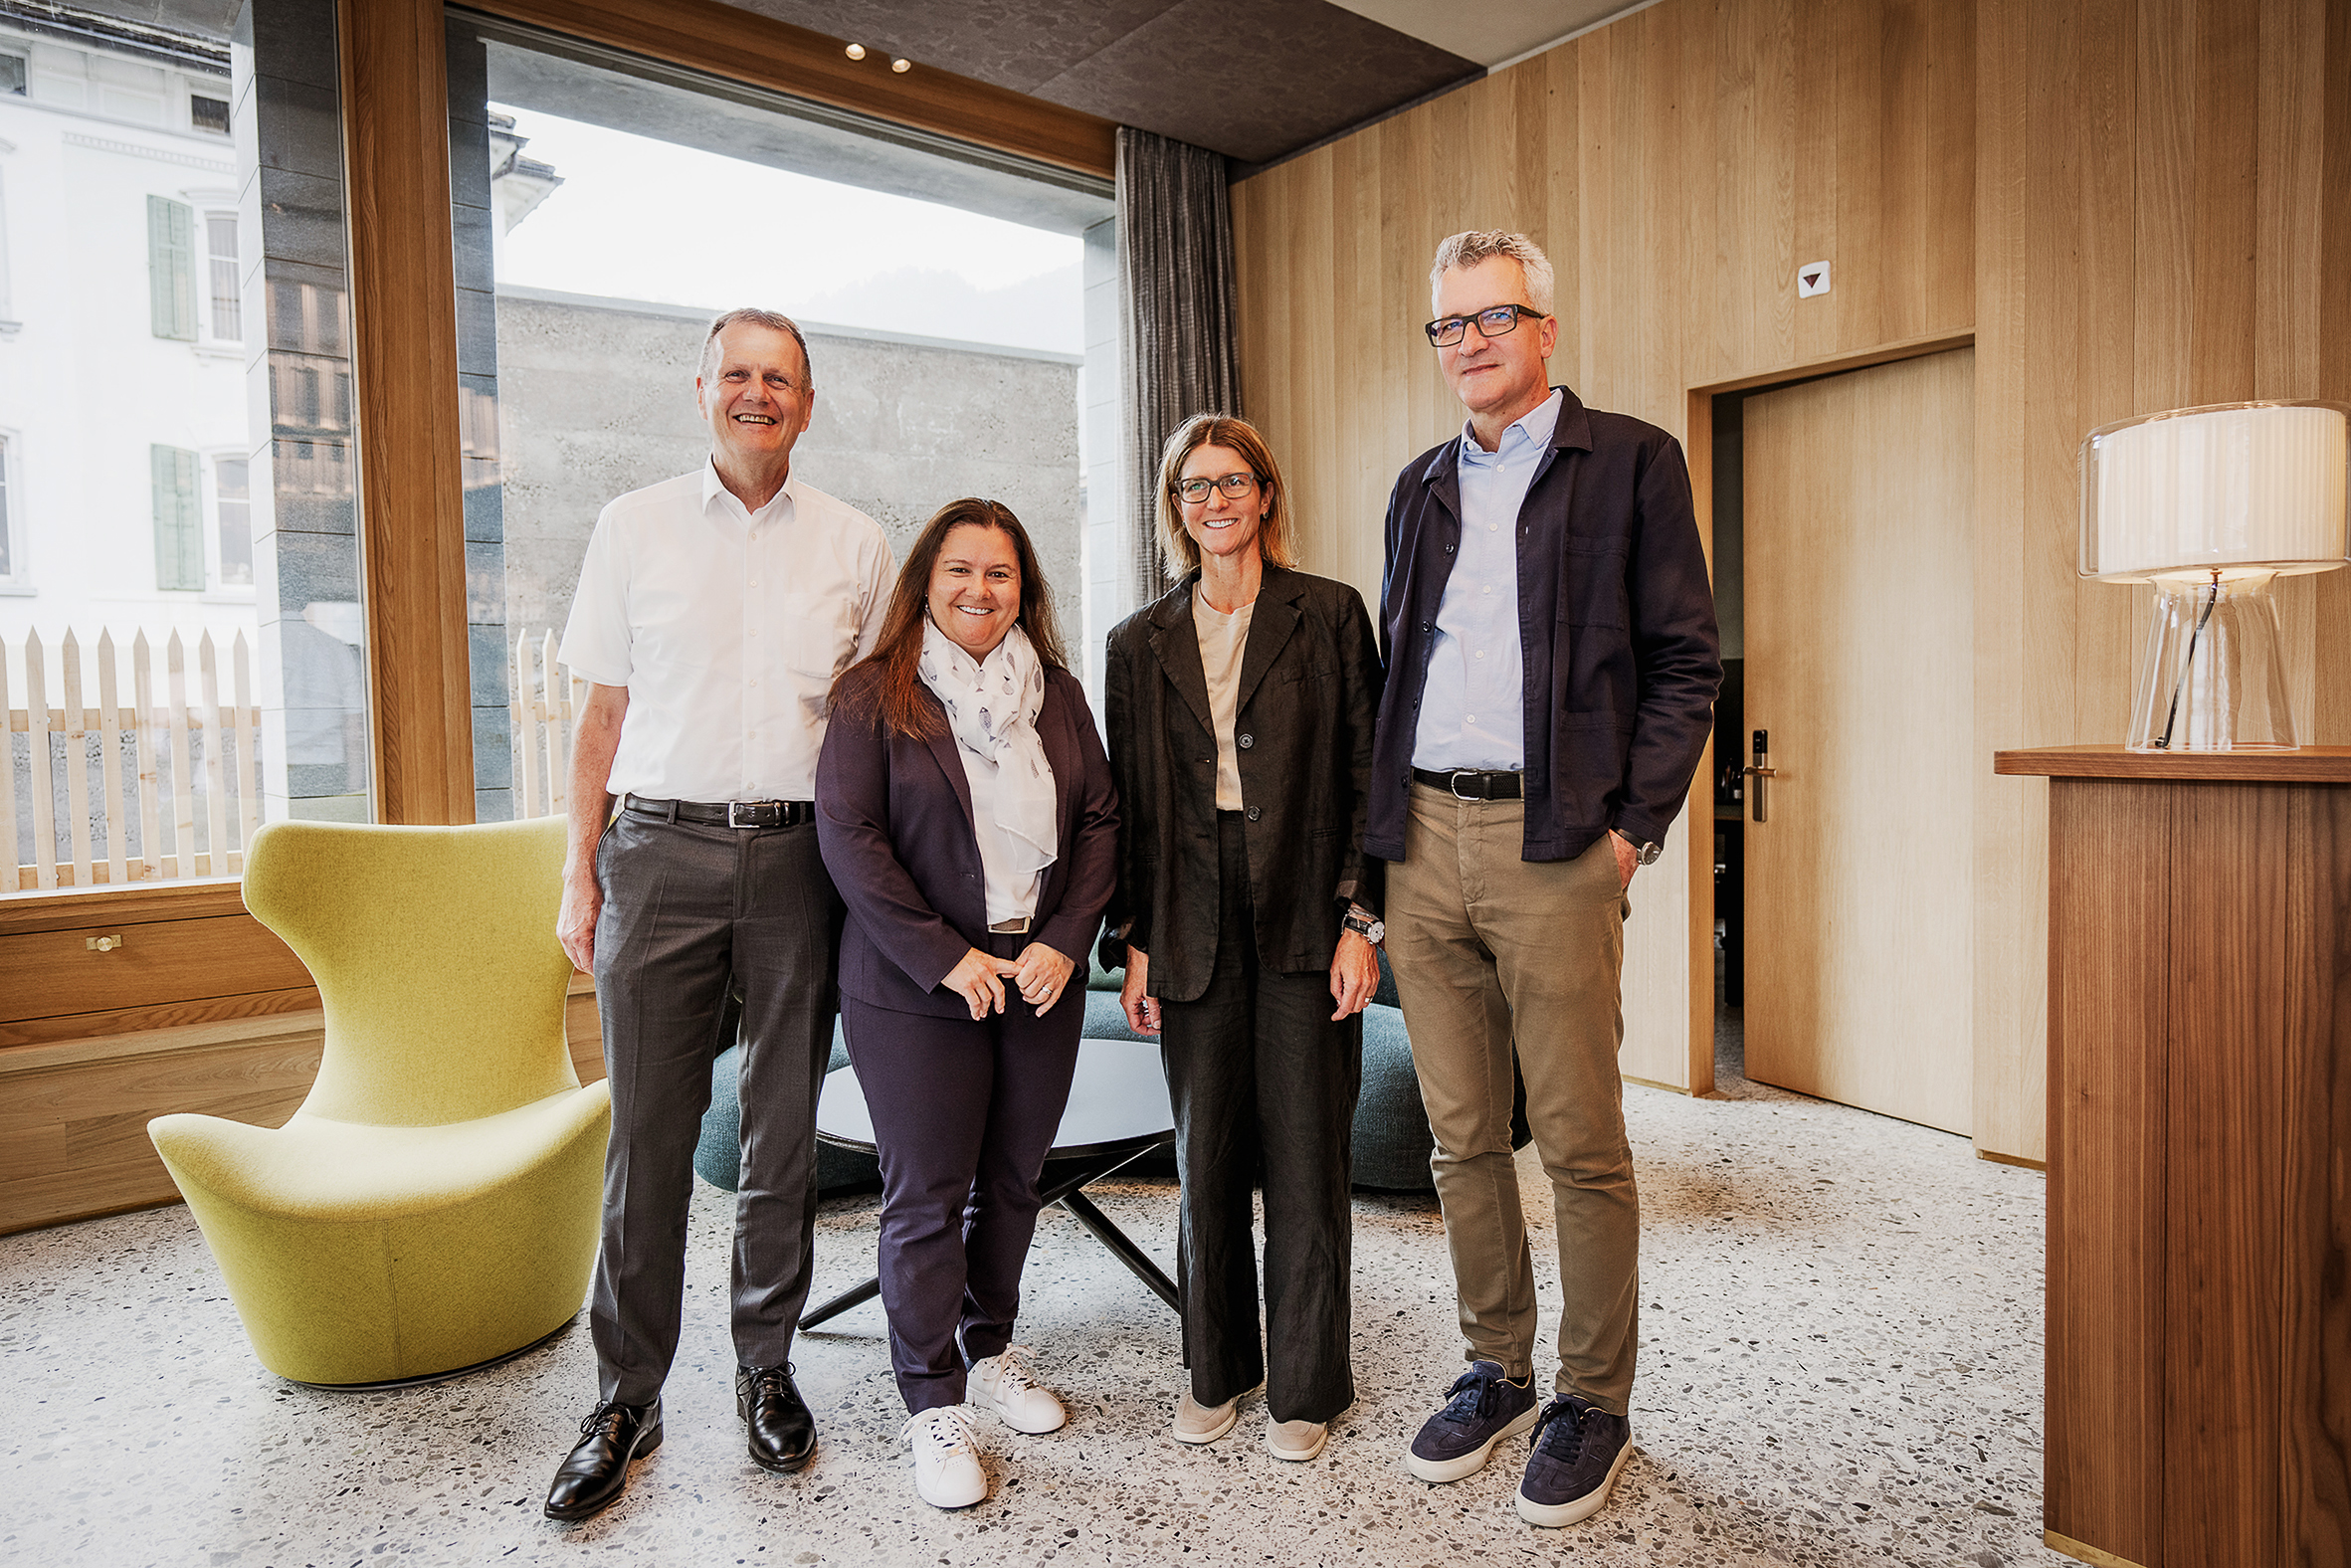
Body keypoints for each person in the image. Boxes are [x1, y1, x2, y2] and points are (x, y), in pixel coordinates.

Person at [1373, 231, 1719, 1526]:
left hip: (1555, 842)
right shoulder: (1417, 484)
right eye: (1447, 324)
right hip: (1418, 837)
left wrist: (1628, 828)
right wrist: (1372, 861)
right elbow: (1401, 668)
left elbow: (1685, 661)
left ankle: (1590, 1396)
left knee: (1576, 1137)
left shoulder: (1627, 461)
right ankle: (1495, 1365)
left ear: (1542, 330)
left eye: (1491, 316)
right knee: (1459, 1137)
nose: (1466, 340)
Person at [544, 307, 894, 1522]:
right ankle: (624, 1394)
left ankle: (764, 1366)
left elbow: (876, 726)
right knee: (646, 1137)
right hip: (657, 852)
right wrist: (580, 872)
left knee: (781, 1134)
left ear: (807, 401)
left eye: (779, 379)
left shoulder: (858, 545)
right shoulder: (630, 525)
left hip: (800, 863)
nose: (757, 394)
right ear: (702, 390)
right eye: (737, 375)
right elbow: (597, 720)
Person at [816, 498, 1117, 1510]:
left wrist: (1065, 942)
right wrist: (945, 957)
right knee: (926, 1195)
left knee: (1015, 1178)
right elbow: (850, 839)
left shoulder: (1058, 693)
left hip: (1034, 973)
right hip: (915, 984)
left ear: (1022, 587)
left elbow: (1100, 818)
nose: (979, 590)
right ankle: (931, 1398)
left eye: (998, 573)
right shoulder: (874, 693)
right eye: (959, 571)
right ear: (925, 582)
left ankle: (989, 1347)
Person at [1103, 414, 1384, 1465]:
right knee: (1204, 1153)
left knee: (1308, 1154)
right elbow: (1130, 804)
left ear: (1266, 493)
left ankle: (1308, 1385)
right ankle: (1215, 1367)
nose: (1212, 500)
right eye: (1191, 486)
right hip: (1185, 906)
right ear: (1176, 508)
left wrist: (1362, 918)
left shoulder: (1329, 613)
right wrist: (1133, 939)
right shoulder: (1138, 641)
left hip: (1309, 898)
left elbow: (1367, 776)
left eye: (1231, 481)